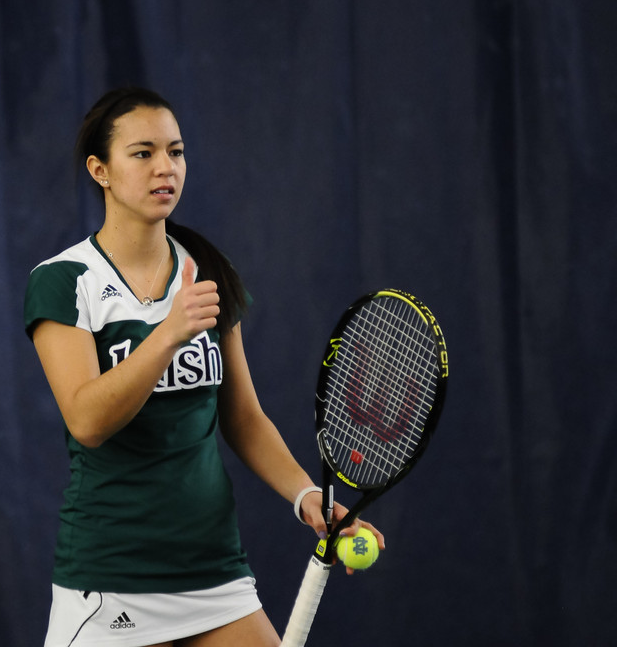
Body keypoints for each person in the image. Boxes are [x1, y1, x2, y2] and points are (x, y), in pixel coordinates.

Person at [23, 87, 385, 647]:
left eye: (176, 151)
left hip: (213, 571)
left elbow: (241, 416)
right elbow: (87, 420)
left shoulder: (207, 270)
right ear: (101, 170)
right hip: (111, 579)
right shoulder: (64, 281)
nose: (164, 167)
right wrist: (168, 333)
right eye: (142, 153)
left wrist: (307, 496)